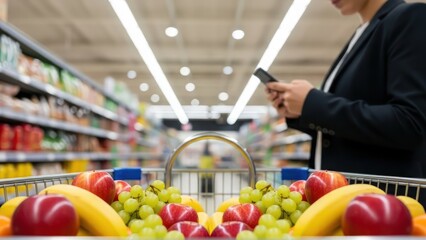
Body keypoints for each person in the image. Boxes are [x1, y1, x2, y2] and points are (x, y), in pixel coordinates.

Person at [266, 0, 426, 204]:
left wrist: (314, 103)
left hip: (384, 207)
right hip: (348, 203)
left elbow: (409, 122)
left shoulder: (410, 18)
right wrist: (300, 112)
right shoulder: (362, 32)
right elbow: (350, 129)